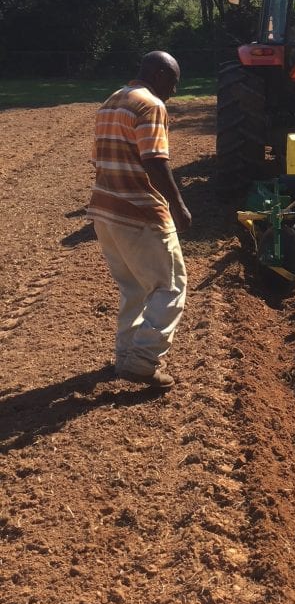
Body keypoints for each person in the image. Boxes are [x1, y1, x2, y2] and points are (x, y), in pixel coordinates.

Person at [87, 51, 191, 389]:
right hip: (141, 215)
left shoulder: (111, 101)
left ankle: (125, 355)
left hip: (105, 212)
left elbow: (97, 159)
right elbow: (155, 160)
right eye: (173, 82)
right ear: (159, 74)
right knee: (171, 287)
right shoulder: (151, 105)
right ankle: (144, 362)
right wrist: (178, 205)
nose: (174, 90)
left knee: (133, 288)